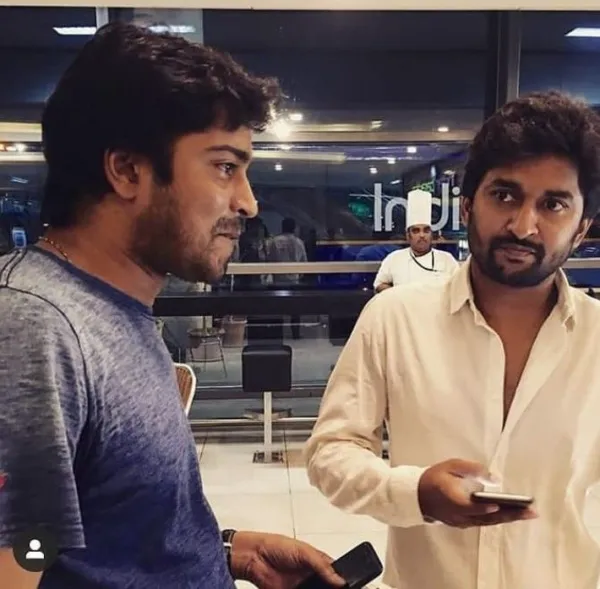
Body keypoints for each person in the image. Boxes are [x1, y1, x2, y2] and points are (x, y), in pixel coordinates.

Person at [0, 22, 345, 589]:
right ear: (127, 170)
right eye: (225, 167)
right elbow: (25, 559)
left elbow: (102, 536)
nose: (249, 202)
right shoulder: (34, 329)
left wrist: (225, 550)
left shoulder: (115, 310)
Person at [305, 90, 600, 589]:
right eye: (504, 195)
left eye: (553, 204)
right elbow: (331, 453)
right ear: (466, 207)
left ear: (581, 228)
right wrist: (415, 492)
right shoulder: (395, 318)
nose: (523, 226)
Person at [373, 189, 459, 292]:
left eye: (426, 230)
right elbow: (379, 284)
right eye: (416, 231)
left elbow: (459, 287)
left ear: (431, 235)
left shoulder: (447, 259)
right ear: (408, 236)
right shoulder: (394, 258)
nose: (422, 235)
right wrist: (397, 296)